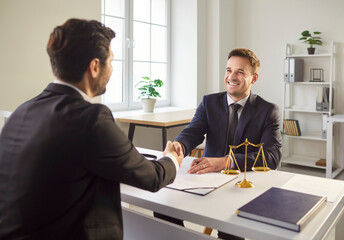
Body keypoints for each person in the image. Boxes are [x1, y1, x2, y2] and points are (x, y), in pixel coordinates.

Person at [0, 18, 183, 240]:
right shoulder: (91, 119)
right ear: (95, 66)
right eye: (111, 61)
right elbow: (152, 177)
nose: (112, 69)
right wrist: (172, 158)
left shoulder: (22, 112)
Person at [160, 48, 282, 240]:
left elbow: (272, 157)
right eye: (228, 70)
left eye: (240, 72)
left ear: (254, 78)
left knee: (230, 230)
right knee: (163, 210)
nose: (231, 76)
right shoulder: (209, 102)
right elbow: (193, 131)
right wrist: (179, 146)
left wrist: (226, 162)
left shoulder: (268, 110)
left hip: (242, 186)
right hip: (205, 180)